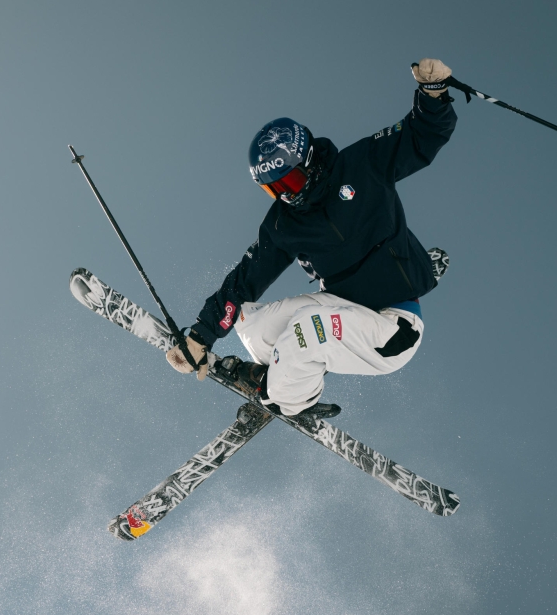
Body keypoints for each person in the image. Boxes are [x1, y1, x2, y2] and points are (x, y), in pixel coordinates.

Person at [165, 58, 457, 418]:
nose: (288, 195)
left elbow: (419, 135)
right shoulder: (284, 223)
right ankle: (285, 375)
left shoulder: (363, 165)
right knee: (252, 324)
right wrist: (201, 336)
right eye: (275, 190)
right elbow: (244, 279)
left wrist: (433, 94)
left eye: (290, 181)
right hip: (341, 308)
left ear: (309, 160)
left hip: (393, 327)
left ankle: (286, 398)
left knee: (307, 329)